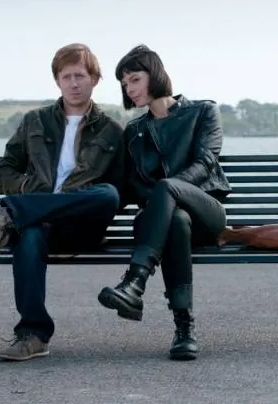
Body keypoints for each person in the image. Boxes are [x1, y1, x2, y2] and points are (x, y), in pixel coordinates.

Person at [0, 43, 125, 362]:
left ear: (94, 80)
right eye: (66, 77)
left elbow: (119, 190)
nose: (74, 83)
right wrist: (26, 188)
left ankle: (11, 213)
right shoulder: (34, 121)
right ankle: (33, 335)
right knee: (31, 233)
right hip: (40, 224)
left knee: (108, 195)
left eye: (80, 76)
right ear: (58, 81)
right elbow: (5, 170)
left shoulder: (112, 131)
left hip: (81, 227)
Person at [97, 44, 232, 361]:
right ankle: (184, 329)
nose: (130, 89)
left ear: (155, 75)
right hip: (163, 224)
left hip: (207, 215)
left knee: (169, 191)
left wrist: (166, 192)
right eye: (125, 84)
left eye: (135, 79)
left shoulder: (203, 112)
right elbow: (126, 188)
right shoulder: (134, 131)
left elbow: (206, 163)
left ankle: (135, 281)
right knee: (176, 221)